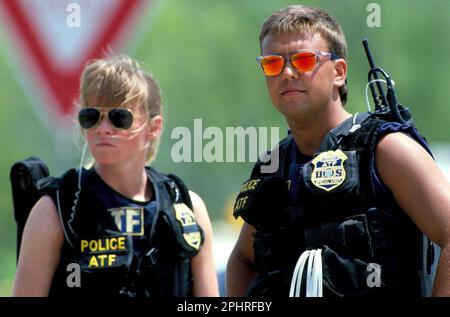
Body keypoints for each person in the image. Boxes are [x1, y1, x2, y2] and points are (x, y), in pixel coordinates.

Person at [227, 5, 450, 297]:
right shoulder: (275, 165)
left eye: (304, 60)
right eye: (272, 63)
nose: (287, 73)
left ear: (339, 72)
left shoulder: (384, 149)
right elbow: (242, 259)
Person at [13, 55, 219, 297]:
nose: (102, 128)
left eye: (119, 117)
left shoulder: (186, 206)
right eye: (91, 116)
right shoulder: (56, 208)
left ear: (154, 127)